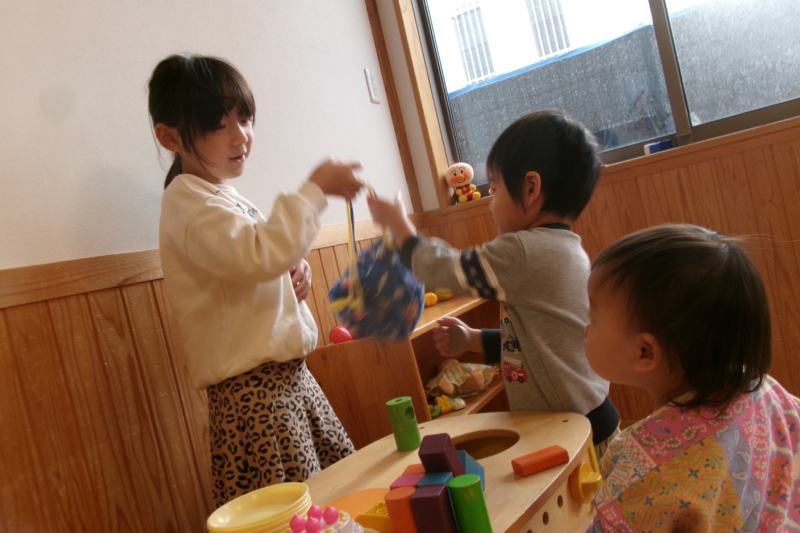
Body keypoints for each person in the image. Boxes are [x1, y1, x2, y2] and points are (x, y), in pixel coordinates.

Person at [148, 54, 362, 506]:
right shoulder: (191, 206)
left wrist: (293, 274)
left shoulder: (219, 197)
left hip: (287, 385)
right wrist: (315, 189)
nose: (240, 135)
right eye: (219, 125)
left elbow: (259, 262)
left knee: (333, 502)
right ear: (170, 137)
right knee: (302, 513)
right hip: (257, 401)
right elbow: (261, 255)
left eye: (245, 120)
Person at [368, 110, 620, 455]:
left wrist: (400, 227)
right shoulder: (563, 248)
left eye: (496, 189)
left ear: (530, 188)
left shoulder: (523, 251)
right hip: (584, 423)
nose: (490, 203)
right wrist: (473, 339)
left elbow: (444, 269)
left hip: (575, 435)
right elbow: (538, 344)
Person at [584, 224, 800, 532]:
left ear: (645, 352)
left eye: (592, 317)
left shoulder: (643, 462)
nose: (586, 328)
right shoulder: (763, 388)